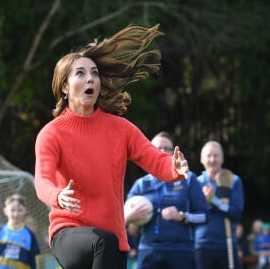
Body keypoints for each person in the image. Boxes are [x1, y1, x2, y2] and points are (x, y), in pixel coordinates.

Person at [34, 24, 190, 269]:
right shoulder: (51, 134)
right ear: (64, 87)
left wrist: (174, 168)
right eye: (81, 73)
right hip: (69, 233)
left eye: (94, 73)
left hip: (114, 240)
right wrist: (57, 196)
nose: (90, 79)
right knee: (102, 241)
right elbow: (42, 180)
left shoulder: (121, 128)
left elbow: (155, 159)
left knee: (109, 242)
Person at [124, 131, 208, 269]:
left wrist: (182, 216)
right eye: (157, 149)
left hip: (181, 250)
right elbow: (123, 219)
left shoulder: (188, 178)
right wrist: (130, 219)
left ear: (173, 152)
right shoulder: (141, 184)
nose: (162, 152)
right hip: (148, 250)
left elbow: (204, 216)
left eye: (167, 148)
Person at [195, 140, 245, 269]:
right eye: (208, 155)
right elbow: (192, 214)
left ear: (222, 158)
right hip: (201, 244)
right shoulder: (195, 183)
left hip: (227, 243)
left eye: (216, 155)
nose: (212, 159)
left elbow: (236, 213)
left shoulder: (233, 181)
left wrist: (214, 201)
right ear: (201, 159)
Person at [0, 194, 40, 269]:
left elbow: (33, 260)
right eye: (12, 210)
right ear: (5, 211)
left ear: (25, 211)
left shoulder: (29, 235)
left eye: (19, 210)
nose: (16, 214)